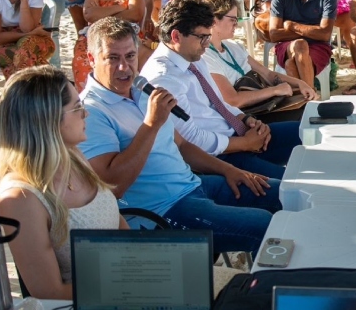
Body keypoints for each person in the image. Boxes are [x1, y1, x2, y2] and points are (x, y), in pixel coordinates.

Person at [79, 17, 280, 256]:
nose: (124, 67)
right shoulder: (91, 111)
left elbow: (182, 144)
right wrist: (151, 125)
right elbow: (113, 186)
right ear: (92, 59)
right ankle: (265, 291)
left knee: (284, 194)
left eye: (130, 56)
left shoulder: (141, 90)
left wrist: (228, 171)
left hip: (195, 185)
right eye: (113, 58)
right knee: (265, 226)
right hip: (162, 211)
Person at [0, 66, 124, 300]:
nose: (86, 114)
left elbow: (117, 221)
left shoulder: (73, 155)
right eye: (77, 108)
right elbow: (48, 291)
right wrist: (125, 289)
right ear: (49, 119)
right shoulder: (20, 198)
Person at [141, 0, 301, 177]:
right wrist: (244, 144)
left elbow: (219, 103)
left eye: (208, 37)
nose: (207, 44)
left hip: (237, 135)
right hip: (219, 158)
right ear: (176, 36)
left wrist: (246, 119)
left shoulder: (192, 57)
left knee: (308, 132)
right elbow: (190, 140)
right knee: (292, 185)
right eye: (202, 37)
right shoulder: (164, 79)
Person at [203, 0, 315, 122]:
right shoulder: (206, 56)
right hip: (248, 116)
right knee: (306, 117)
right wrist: (274, 91)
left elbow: (267, 74)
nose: (236, 25)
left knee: (310, 107)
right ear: (214, 20)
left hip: (262, 106)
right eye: (232, 20)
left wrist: (300, 83)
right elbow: (232, 100)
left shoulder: (234, 47)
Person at [268, 0, 338, 91]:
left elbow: (325, 34)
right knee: (300, 45)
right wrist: (311, 30)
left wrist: (292, 25)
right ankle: (310, 95)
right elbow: (274, 34)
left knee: (291, 65)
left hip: (318, 46)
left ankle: (302, 103)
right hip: (288, 45)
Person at [72, 0, 145, 91]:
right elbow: (89, 15)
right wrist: (121, 6)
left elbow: (135, 14)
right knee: (82, 58)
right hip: (97, 36)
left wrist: (101, 13)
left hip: (126, 35)